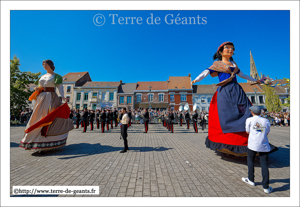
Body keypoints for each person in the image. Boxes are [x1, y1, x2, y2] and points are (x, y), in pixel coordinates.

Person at [191, 42, 262, 154]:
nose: (230, 50)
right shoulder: (217, 64)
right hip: (225, 91)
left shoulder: (234, 65)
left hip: (237, 90)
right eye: (227, 48)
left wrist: (255, 80)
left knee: (246, 111)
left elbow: (243, 75)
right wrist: (196, 80)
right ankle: (227, 141)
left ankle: (249, 140)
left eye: (232, 48)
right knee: (227, 114)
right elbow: (206, 72)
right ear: (220, 51)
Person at [20, 59, 73, 152]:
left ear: (50, 65)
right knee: (36, 117)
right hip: (41, 97)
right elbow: (39, 86)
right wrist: (37, 89)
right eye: (43, 65)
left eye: (45, 64)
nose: (44, 66)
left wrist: (63, 97)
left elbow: (60, 88)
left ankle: (46, 141)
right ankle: (33, 140)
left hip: (51, 97)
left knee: (48, 116)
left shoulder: (56, 76)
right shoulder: (42, 76)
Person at [242, 106, 273, 193]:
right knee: (264, 165)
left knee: (250, 161)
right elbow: (267, 132)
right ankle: (266, 187)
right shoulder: (266, 120)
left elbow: (247, 132)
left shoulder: (249, 120)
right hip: (263, 144)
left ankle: (251, 179)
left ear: (252, 112)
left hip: (253, 144)